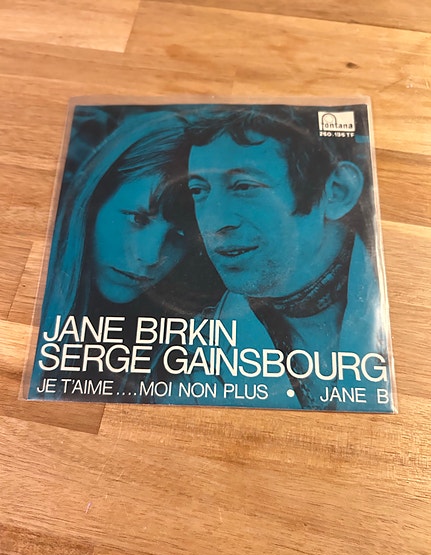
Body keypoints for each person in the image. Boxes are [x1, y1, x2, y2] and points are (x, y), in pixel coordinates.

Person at [154, 105, 392, 411]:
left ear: (336, 191)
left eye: (244, 186)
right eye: (199, 190)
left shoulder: (400, 304)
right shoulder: (189, 358)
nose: (213, 225)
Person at [28, 108, 223, 401]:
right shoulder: (35, 293)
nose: (150, 257)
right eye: (137, 218)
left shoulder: (193, 341)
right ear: (93, 202)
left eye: (180, 235)